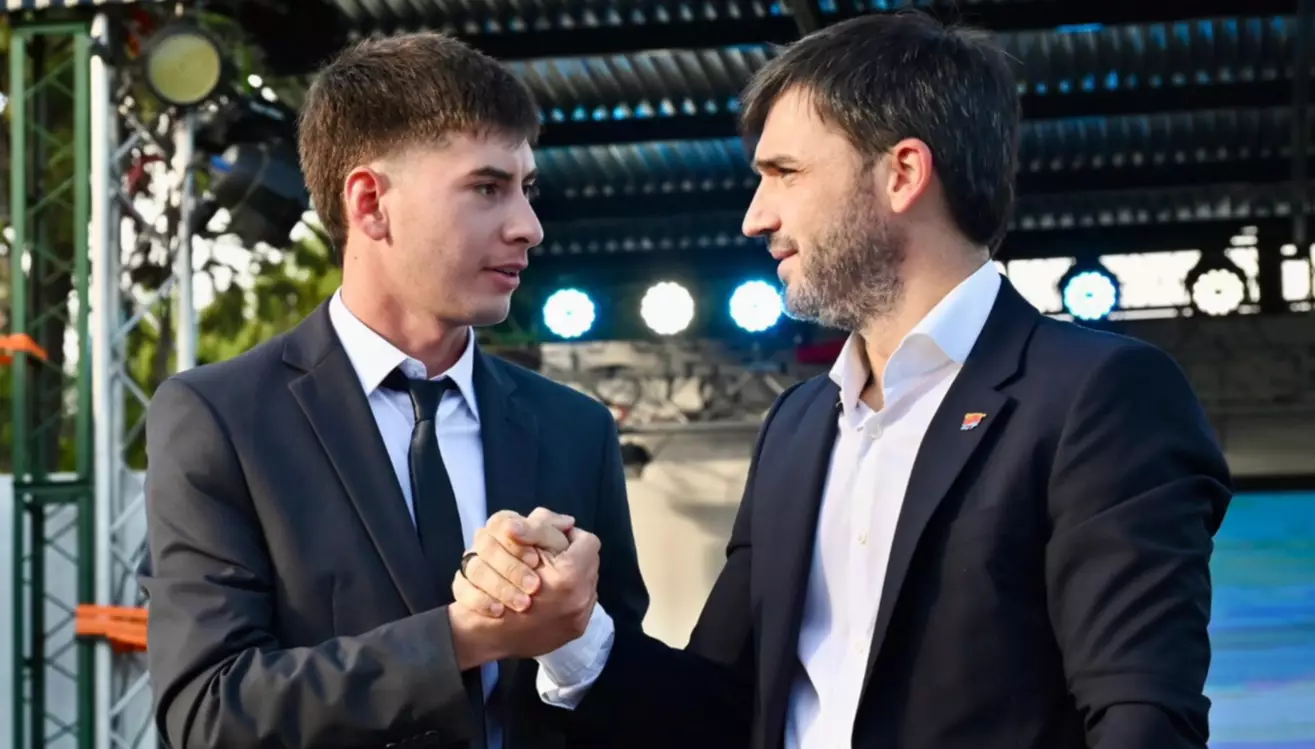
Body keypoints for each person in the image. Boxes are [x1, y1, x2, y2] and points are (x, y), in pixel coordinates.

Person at [452, 11, 1232, 749]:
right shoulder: (796, 427)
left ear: (902, 173)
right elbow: (717, 709)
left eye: (784, 172)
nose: (755, 216)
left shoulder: (1098, 394)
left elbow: (1139, 715)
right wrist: (570, 628)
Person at [137, 32, 648, 749]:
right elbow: (209, 711)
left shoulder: (575, 427)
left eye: (526, 189)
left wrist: (573, 641)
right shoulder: (223, 417)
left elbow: (637, 702)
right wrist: (465, 636)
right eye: (487, 188)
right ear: (370, 202)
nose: (528, 227)